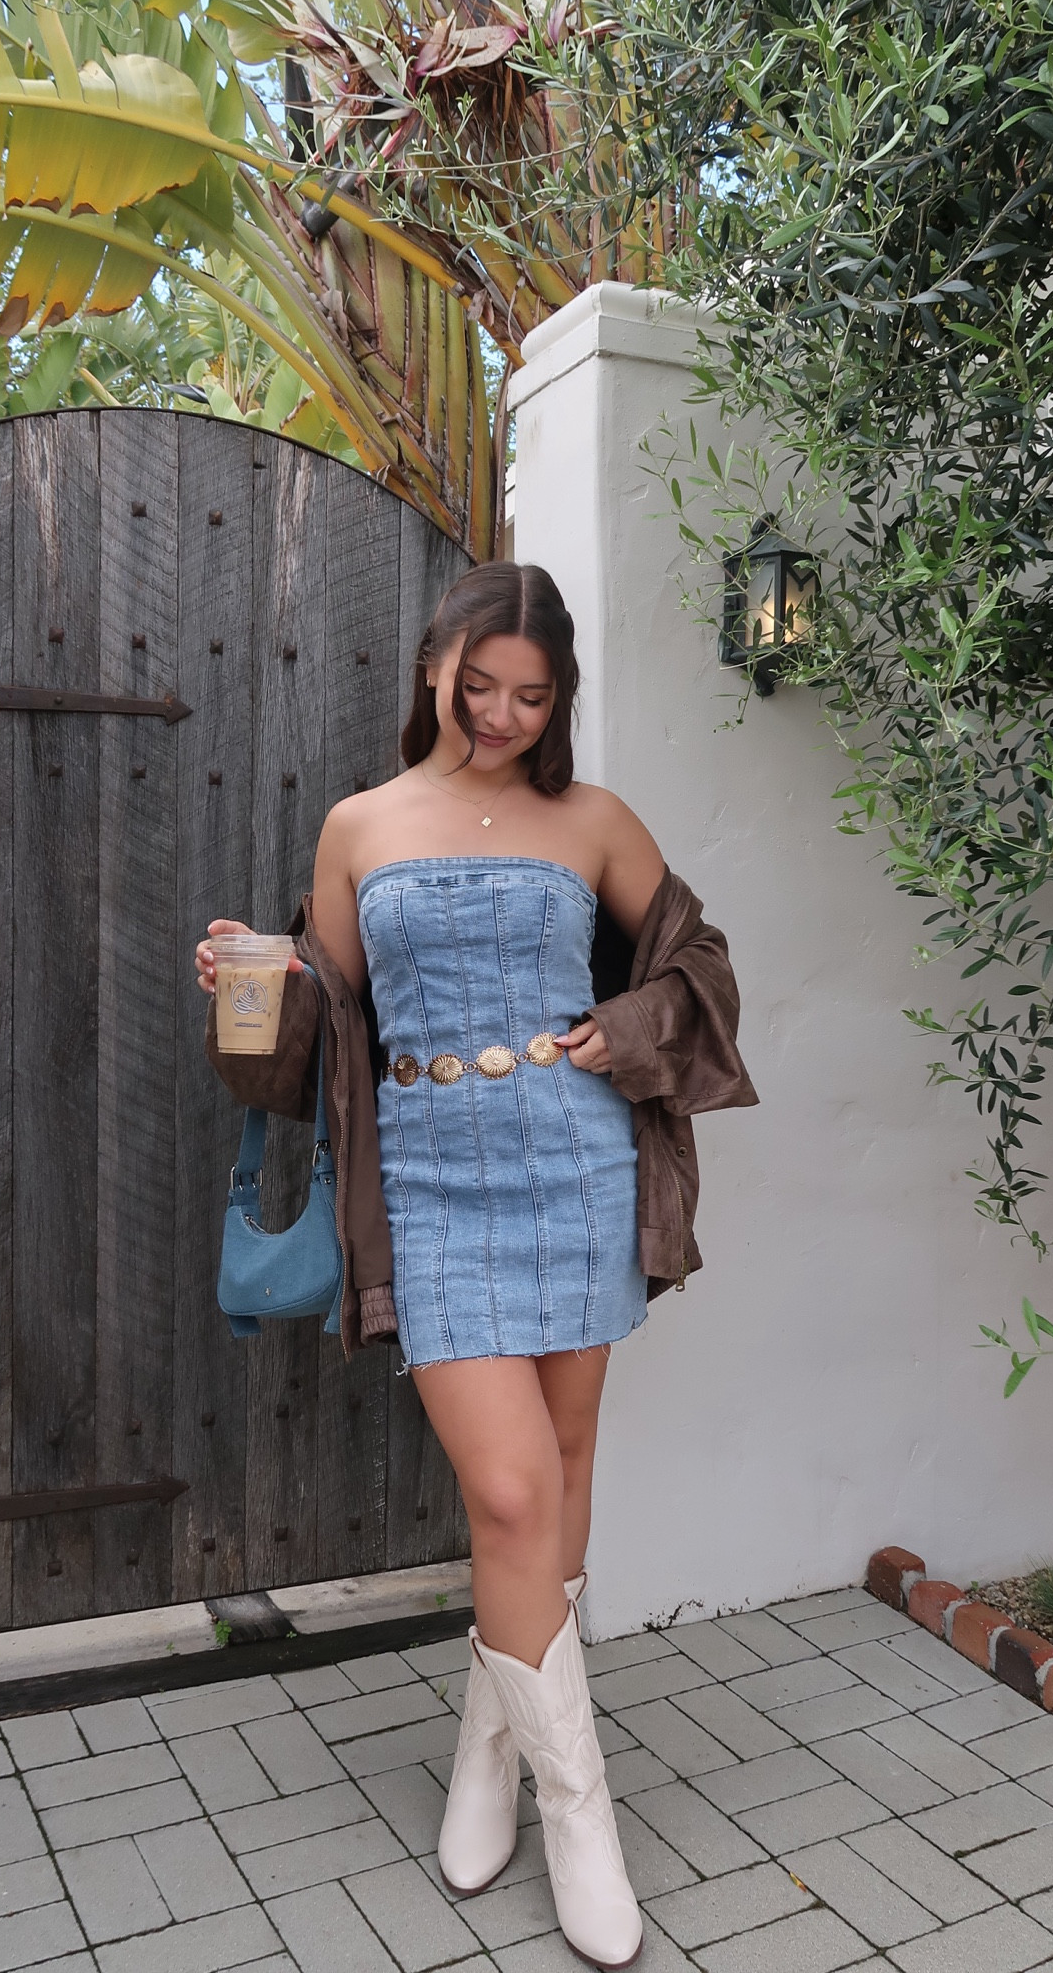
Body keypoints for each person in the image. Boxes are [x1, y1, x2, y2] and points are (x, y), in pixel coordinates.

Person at [196, 562, 756, 1970]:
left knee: (557, 1474)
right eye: (480, 684)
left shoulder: (594, 821)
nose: (502, 714)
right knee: (508, 1493)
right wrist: (255, 978)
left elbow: (698, 967)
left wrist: (626, 1032)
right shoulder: (360, 824)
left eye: (534, 695)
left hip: (579, 1170)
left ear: (559, 699)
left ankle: (489, 1755)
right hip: (433, 1187)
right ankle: (585, 1817)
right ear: (434, 668)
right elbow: (328, 1019)